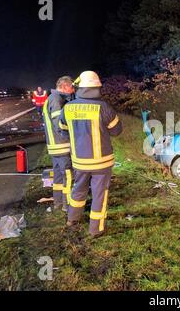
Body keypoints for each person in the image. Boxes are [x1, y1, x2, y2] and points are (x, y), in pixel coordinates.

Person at [59, 71, 123, 238]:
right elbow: (116, 131)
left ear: (80, 87)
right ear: (97, 87)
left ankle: (72, 219)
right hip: (102, 162)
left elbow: (63, 130)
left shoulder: (67, 108)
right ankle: (96, 229)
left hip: (79, 161)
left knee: (78, 189)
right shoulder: (104, 107)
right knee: (99, 194)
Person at [42, 77, 75, 212]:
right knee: (68, 175)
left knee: (58, 177)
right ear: (65, 86)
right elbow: (59, 125)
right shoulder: (56, 99)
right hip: (62, 146)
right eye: (72, 87)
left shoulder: (52, 98)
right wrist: (73, 132)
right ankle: (67, 205)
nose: (73, 90)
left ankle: (58, 203)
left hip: (55, 147)